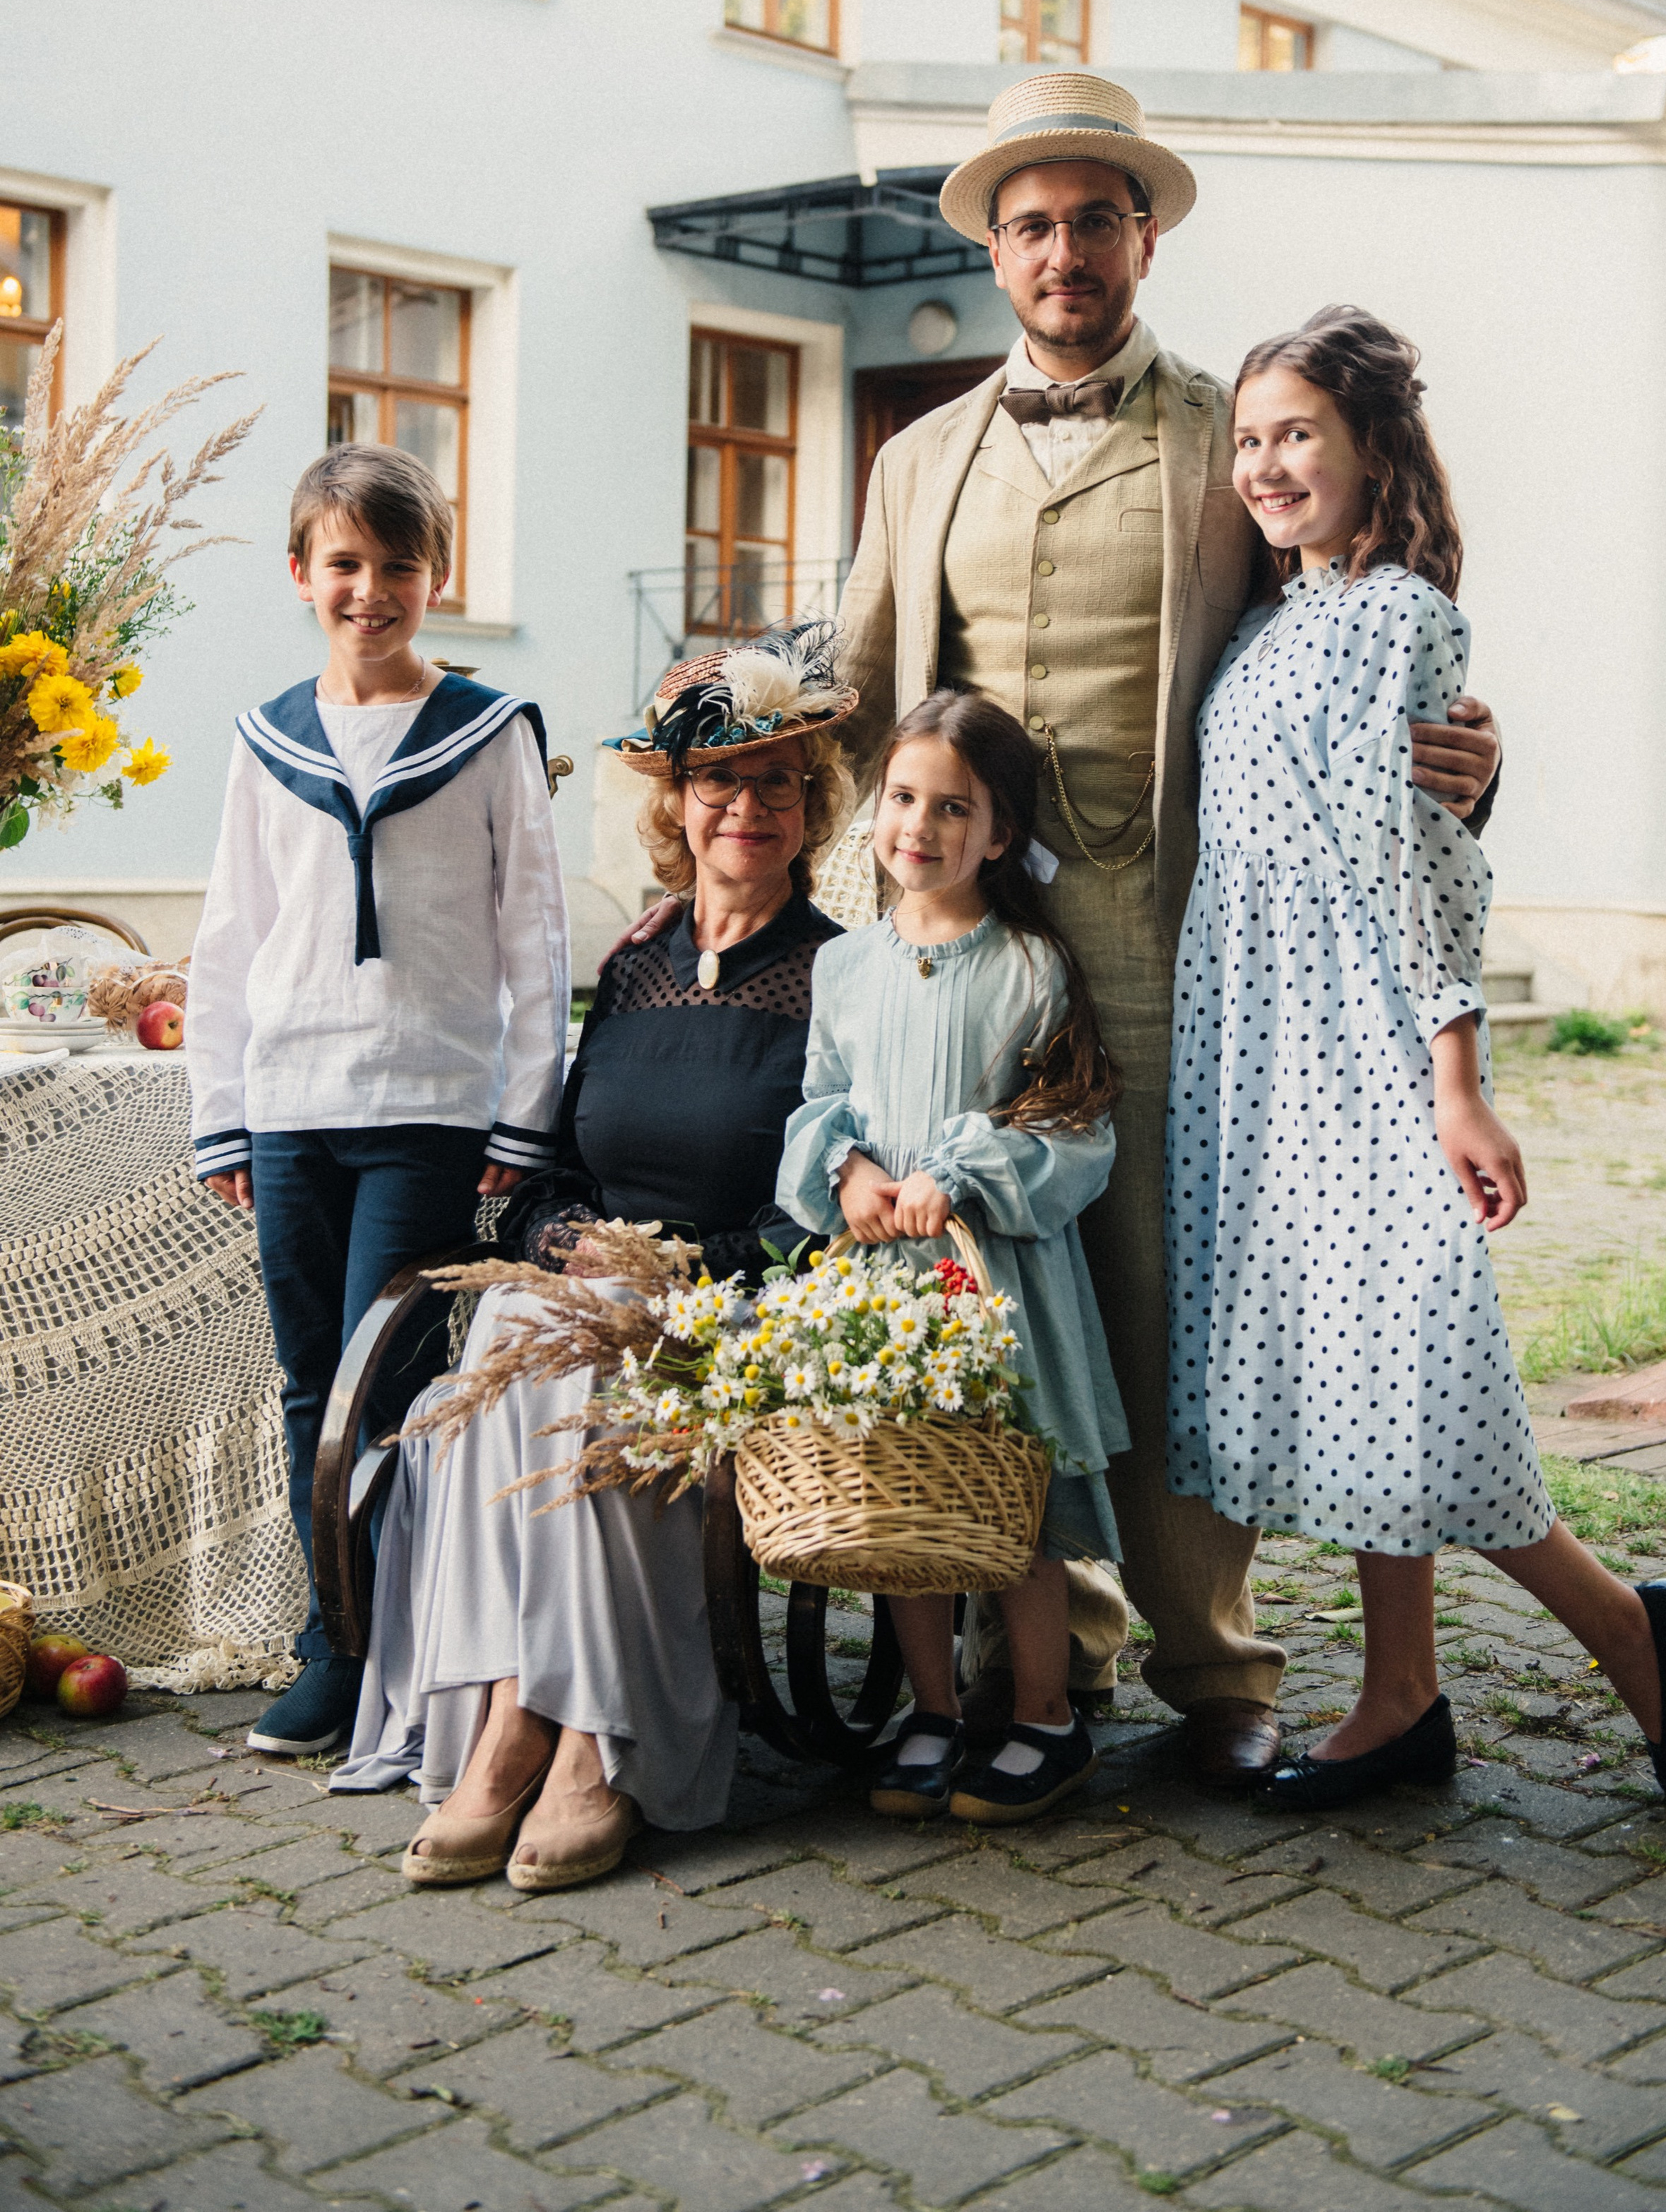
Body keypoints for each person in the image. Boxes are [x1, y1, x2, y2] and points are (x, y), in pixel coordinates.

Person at [831, 70, 1504, 1788]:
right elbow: (859, 690)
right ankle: (1035, 1651)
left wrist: (1465, 760)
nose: (1063, 252)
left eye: (1094, 221)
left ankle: (1212, 1665)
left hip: (1176, 925)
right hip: (974, 939)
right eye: (1031, 226)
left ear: (1143, 238)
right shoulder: (915, 459)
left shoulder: (1231, 431)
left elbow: (1348, 633)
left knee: (1169, 1285)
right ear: (995, 251)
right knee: (991, 1275)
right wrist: (853, 913)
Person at [1166, 306, 1666, 1804]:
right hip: (1256, 1044)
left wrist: (1456, 1081)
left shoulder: (1399, 617)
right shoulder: (1271, 620)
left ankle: (1630, 1629)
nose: (1266, 465)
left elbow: (1421, 865)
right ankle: (1401, 1693)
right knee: (1352, 1367)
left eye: (1298, 434)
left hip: (1361, 1041)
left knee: (1412, 1359)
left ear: (1372, 450)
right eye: (1250, 439)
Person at [333, 626, 856, 1886]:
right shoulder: (631, 967)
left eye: (777, 783)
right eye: (719, 782)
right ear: (676, 805)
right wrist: (566, 1240)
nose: (747, 808)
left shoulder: (843, 974)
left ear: (811, 808)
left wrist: (672, 1274)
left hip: (739, 1309)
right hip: (588, 1288)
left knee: (593, 1365)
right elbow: (550, 1172)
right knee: (504, 1351)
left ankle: (591, 1749)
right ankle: (516, 1714)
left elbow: (826, 1207)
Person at [186, 443, 569, 1760]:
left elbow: (535, 936)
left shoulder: (489, 733)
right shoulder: (267, 740)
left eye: (398, 565)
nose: (370, 590)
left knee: (385, 1381)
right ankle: (335, 1641)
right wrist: (223, 1106)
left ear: (436, 578)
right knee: (311, 1384)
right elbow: (230, 934)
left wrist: (524, 1114)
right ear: (300, 573)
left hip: (428, 1107)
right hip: (292, 1105)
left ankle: (390, 1643)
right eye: (344, 564)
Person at [778, 689, 1129, 1826]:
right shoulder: (845, 967)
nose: (918, 827)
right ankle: (932, 1710)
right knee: (903, 1501)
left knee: (1007, 1503)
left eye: (952, 808)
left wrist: (966, 1172)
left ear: (1000, 833)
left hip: (992, 1285)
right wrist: (846, 1171)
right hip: (883, 1281)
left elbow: (1074, 1130)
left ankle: (1044, 1715)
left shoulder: (1030, 967)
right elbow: (821, 1098)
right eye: (902, 798)